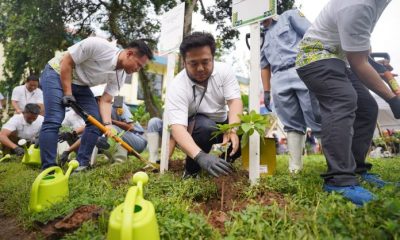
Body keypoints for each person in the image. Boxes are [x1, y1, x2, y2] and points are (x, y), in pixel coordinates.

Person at [295, 0, 399, 205]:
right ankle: (339, 179)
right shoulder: (358, 4)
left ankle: (357, 168)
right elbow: (358, 63)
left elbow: (360, 53)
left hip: (339, 58)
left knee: (367, 107)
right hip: (314, 56)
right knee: (343, 98)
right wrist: (393, 99)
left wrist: (378, 68)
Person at [39, 36, 153, 171]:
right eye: (138, 64)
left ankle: (81, 164)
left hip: (80, 84)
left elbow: (105, 100)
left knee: (96, 122)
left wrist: (108, 125)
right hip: (57, 72)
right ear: (129, 54)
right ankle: (49, 168)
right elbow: (66, 61)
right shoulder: (98, 45)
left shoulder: (120, 76)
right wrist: (68, 93)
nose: (137, 69)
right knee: (54, 118)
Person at [165, 31, 242, 178]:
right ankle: (191, 170)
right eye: (193, 63)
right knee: (206, 127)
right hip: (196, 127)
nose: (200, 68)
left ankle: (223, 165)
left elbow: (234, 102)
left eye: (205, 62)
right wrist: (200, 156)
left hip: (221, 122)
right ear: (184, 62)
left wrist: (232, 130)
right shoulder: (177, 85)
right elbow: (177, 128)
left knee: (243, 127)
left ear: (213, 58)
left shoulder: (224, 71)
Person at [260, 9, 321, 173]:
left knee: (317, 116)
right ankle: (295, 168)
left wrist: (317, 65)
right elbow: (264, 65)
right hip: (278, 77)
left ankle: (336, 164)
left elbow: (312, 35)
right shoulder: (260, 35)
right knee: (291, 123)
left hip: (300, 68)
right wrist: (266, 91)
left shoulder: (289, 16)